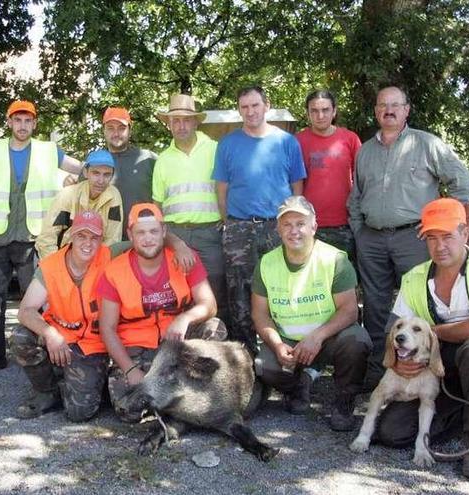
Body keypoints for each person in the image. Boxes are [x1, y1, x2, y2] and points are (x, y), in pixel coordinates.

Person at [372, 198, 469, 478]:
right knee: (391, 433)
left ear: (465, 233)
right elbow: (394, 332)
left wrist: (430, 334)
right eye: (431, 238)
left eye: (447, 236)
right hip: (435, 372)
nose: (439, 246)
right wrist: (398, 362)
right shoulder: (414, 278)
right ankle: (466, 414)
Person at [347, 86, 469, 384]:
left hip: (414, 239)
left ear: (407, 109)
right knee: (376, 305)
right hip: (372, 238)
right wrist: (359, 231)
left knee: (420, 302)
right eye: (382, 105)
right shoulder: (365, 151)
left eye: (395, 104)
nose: (388, 110)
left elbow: (463, 183)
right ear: (376, 110)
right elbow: (356, 196)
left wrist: (440, 224)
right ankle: (381, 370)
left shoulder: (427, 144)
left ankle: (427, 370)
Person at [0, 99, 83, 374]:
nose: (22, 126)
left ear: (35, 124)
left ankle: (37, 353)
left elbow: (84, 169)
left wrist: (72, 184)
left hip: (33, 238)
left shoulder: (49, 151)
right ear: (9, 122)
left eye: (28, 121)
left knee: (34, 300)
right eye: (17, 120)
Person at [97, 203, 226, 422]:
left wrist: (184, 318)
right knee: (128, 410)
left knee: (214, 327)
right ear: (130, 234)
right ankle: (178, 394)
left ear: (164, 232)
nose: (148, 238)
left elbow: (209, 304)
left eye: (154, 231)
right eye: (141, 232)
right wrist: (130, 370)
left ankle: (182, 391)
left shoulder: (185, 258)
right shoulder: (114, 271)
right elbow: (107, 329)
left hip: (177, 344)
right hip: (137, 348)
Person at [252, 196, 371, 430]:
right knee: (263, 365)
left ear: (314, 227)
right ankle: (299, 386)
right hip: (288, 341)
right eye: (287, 224)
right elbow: (260, 314)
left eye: (300, 223)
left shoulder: (334, 259)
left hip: (327, 338)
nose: (294, 230)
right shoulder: (266, 263)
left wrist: (317, 337)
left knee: (357, 342)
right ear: (278, 229)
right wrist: (277, 345)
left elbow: (349, 311)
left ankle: (344, 402)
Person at [212, 85, 306, 353]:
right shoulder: (228, 144)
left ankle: (282, 350)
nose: (250, 111)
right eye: (244, 107)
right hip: (239, 227)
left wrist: (295, 223)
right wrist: (228, 222)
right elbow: (222, 189)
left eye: (255, 105)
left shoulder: (287, 142)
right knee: (239, 292)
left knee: (281, 287)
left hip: (278, 228)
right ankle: (245, 357)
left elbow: (296, 186)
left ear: (267, 105)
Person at [13, 211, 114, 421]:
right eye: (81, 236)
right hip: (60, 334)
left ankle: (79, 380)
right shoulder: (51, 266)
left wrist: (178, 246)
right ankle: (46, 392)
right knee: (21, 336)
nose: (88, 243)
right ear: (71, 236)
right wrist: (50, 334)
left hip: (92, 344)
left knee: (79, 413)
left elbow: (144, 243)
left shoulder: (110, 256)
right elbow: (26, 310)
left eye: (94, 237)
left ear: (101, 240)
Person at [152, 94, 227, 322]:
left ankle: (220, 348)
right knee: (177, 294)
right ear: (169, 125)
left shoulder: (216, 149)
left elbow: (230, 190)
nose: (180, 125)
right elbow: (157, 208)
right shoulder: (162, 160)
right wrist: (170, 239)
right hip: (175, 235)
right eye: (175, 121)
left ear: (196, 122)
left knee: (215, 292)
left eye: (186, 120)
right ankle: (184, 349)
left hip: (210, 234)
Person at [295, 90, 362, 263]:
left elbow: (363, 181)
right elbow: (291, 183)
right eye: (314, 111)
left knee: (344, 280)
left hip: (345, 224)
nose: (320, 115)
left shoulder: (350, 139)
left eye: (325, 110)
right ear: (307, 113)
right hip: (309, 225)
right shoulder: (297, 142)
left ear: (334, 111)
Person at [35, 149, 123, 258]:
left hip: (95, 257)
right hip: (64, 255)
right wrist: (56, 269)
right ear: (86, 172)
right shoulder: (67, 195)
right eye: (96, 173)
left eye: (106, 175)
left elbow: (112, 239)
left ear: (112, 176)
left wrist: (97, 267)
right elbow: (46, 239)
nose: (101, 181)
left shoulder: (113, 196)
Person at [102, 106, 157, 239]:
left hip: (145, 239)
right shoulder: (95, 163)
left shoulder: (148, 159)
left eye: (121, 128)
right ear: (104, 131)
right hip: (107, 241)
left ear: (130, 131)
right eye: (110, 128)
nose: (116, 133)